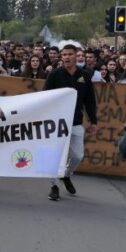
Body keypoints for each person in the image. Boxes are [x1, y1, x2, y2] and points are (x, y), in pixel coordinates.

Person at [44, 44, 98, 201]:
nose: (66, 57)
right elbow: (45, 97)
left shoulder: (84, 76)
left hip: (75, 122)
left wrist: (93, 121)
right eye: (64, 54)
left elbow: (89, 100)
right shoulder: (55, 74)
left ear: (76, 56)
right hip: (57, 122)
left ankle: (66, 175)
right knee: (56, 156)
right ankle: (54, 186)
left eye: (69, 54)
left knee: (77, 155)